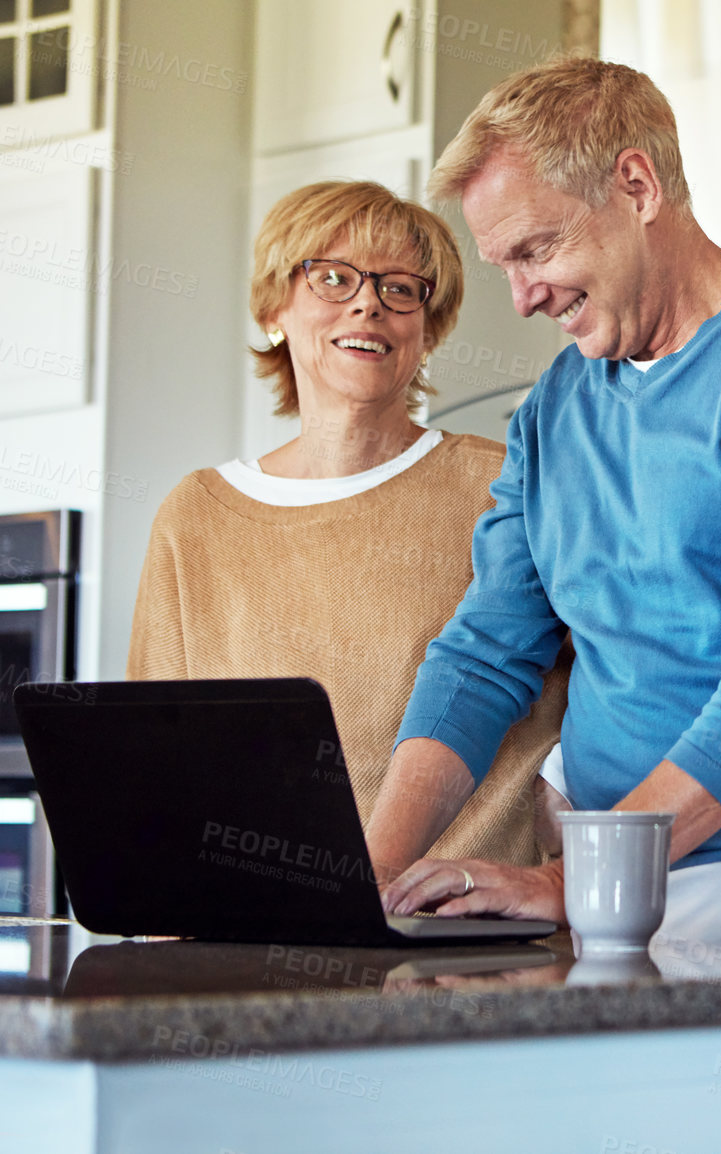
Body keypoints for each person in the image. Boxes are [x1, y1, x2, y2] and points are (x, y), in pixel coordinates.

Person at [367, 56, 721, 949]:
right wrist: (365, 880)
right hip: (606, 886)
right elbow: (483, 656)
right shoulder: (556, 409)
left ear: (636, 185)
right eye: (503, 264)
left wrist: (574, 878)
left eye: (536, 250)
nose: (520, 298)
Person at [129, 180, 568, 867]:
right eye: (333, 279)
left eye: (401, 289)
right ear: (276, 308)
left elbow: (614, 691)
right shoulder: (195, 517)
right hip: (248, 941)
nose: (368, 302)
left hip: (468, 942)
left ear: (429, 332)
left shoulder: (505, 488)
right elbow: (155, 767)